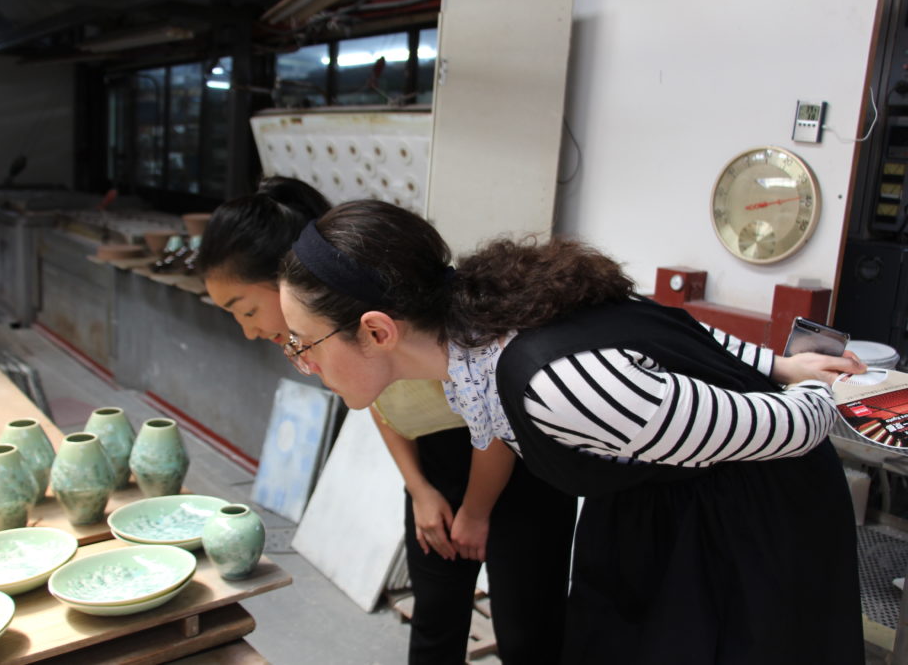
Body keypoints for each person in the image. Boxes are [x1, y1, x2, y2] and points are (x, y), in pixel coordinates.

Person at [277, 199, 868, 665]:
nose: (301, 362)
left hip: (740, 524)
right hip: (653, 514)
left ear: (378, 331)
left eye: (303, 344)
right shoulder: (490, 326)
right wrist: (773, 363)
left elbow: (781, 429)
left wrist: (826, 392)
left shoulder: (550, 383)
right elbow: (670, 332)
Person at [195, 177, 574, 664]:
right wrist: (419, 489)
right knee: (435, 617)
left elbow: (493, 416)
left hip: (514, 466)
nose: (248, 331)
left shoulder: (396, 329)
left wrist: (477, 511)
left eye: (245, 309)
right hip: (438, 466)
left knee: (528, 628)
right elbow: (381, 403)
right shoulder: (326, 339)